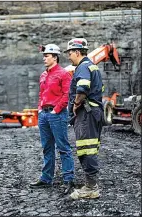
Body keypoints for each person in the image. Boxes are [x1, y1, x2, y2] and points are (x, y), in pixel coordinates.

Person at [29, 44, 75, 195]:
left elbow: (67, 94)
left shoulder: (63, 74)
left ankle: (69, 179)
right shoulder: (43, 75)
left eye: (47, 55)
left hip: (57, 115)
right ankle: (46, 178)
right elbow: (42, 94)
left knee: (63, 147)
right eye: (44, 55)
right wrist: (40, 108)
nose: (44, 58)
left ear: (55, 57)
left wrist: (56, 110)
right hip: (44, 115)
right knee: (47, 147)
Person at [64, 38, 104, 199]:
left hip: (86, 113)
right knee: (91, 148)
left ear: (77, 52)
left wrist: (75, 104)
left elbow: (82, 88)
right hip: (93, 112)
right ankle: (91, 184)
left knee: (86, 149)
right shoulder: (92, 67)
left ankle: (91, 188)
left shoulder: (82, 67)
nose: (68, 56)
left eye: (70, 53)